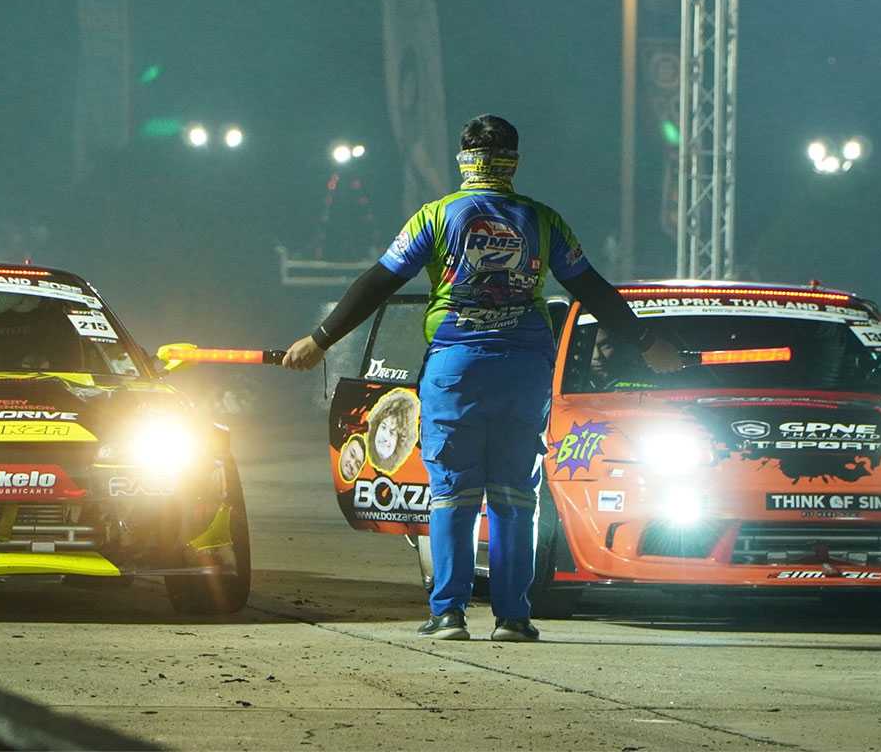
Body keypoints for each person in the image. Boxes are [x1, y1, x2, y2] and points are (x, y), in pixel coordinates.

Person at [283, 114, 679, 642]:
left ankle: (449, 613)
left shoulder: (436, 216)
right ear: (514, 161)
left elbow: (379, 281)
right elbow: (591, 288)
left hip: (457, 367)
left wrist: (320, 339)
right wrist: (647, 342)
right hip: (524, 370)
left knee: (452, 491)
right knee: (516, 494)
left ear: (463, 160)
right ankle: (513, 618)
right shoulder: (543, 221)